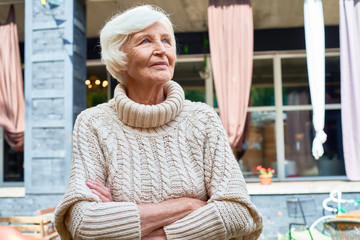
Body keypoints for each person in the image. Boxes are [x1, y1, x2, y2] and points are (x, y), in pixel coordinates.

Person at [54, 5, 263, 240]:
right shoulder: (93, 123)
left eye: (166, 40)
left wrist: (130, 225)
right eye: (145, 41)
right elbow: (84, 222)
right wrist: (188, 206)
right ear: (120, 59)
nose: (161, 50)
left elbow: (238, 213)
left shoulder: (203, 120)